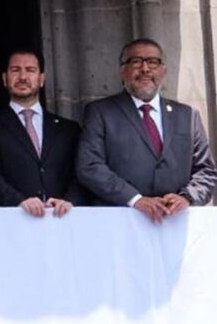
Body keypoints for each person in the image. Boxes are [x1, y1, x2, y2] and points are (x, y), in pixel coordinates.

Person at [77, 37, 217, 223]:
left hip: (176, 222)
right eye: (136, 62)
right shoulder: (100, 112)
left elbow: (206, 169)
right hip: (121, 221)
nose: (145, 69)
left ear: (163, 71)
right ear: (122, 70)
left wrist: (187, 197)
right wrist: (136, 200)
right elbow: (90, 166)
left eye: (153, 62)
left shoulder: (188, 115)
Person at [0, 49, 82, 217]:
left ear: (41, 79)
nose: (23, 77)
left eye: (30, 70)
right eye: (15, 70)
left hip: (61, 219)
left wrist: (68, 201)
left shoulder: (68, 129)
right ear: (4, 78)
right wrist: (19, 201)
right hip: (12, 220)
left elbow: (81, 172)